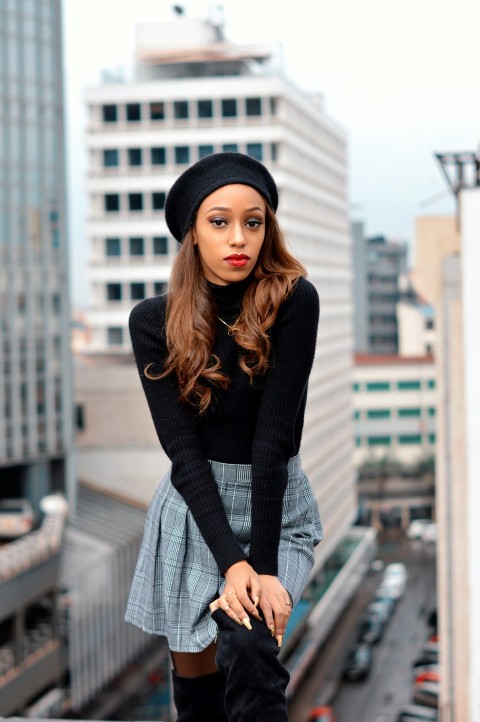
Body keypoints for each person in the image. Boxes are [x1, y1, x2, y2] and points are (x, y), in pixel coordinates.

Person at [125, 152, 322, 722]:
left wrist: (256, 568)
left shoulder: (292, 300)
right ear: (193, 232)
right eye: (219, 221)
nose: (239, 237)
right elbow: (183, 454)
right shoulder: (152, 323)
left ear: (267, 230)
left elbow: (273, 441)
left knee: (252, 643)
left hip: (274, 503)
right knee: (197, 680)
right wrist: (228, 560)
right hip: (194, 509)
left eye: (253, 222)